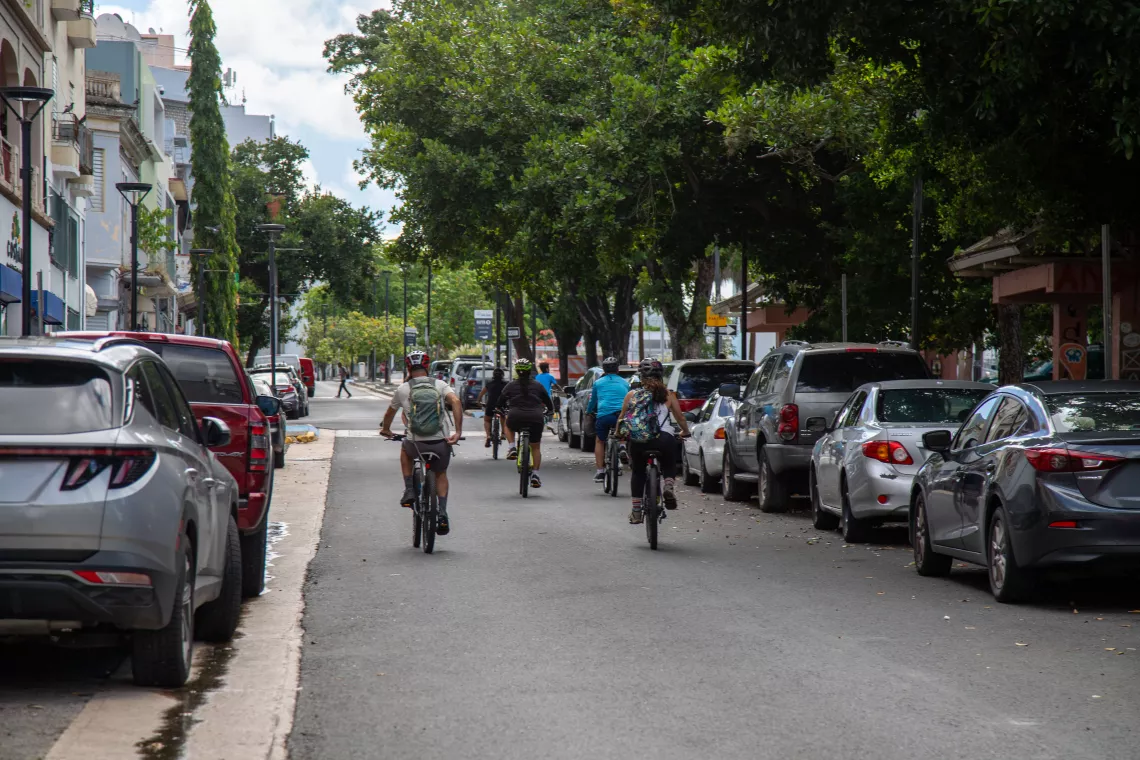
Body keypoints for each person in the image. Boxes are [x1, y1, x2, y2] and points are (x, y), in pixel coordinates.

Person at [379, 351, 463, 535]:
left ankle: (409, 489)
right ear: (427, 366)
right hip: (441, 442)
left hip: (415, 443)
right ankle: (441, 513)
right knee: (440, 474)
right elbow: (456, 401)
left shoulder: (403, 389)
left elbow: (389, 414)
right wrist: (457, 432)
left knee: (405, 451)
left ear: (408, 367)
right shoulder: (440, 385)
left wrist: (386, 430)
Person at [618, 358, 691, 524]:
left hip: (639, 440)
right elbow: (680, 418)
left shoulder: (632, 395)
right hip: (664, 439)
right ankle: (668, 486)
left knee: (638, 472)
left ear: (641, 376)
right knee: (669, 462)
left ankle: (636, 511)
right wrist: (685, 432)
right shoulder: (669, 394)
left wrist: (618, 434)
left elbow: (621, 419)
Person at [495, 358, 554, 488]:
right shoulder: (538, 385)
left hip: (515, 416)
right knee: (535, 447)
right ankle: (536, 474)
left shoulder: (510, 385)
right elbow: (549, 403)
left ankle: (511, 447)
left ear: (517, 371)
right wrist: (550, 411)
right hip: (536, 418)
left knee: (507, 425)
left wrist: (499, 409)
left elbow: (500, 402)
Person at [587, 357, 630, 483]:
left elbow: (592, 401)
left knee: (600, 441)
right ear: (617, 369)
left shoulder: (598, 383)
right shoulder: (625, 382)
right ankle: (622, 447)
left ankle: (600, 472)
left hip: (604, 415)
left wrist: (589, 411)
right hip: (621, 415)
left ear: (603, 370)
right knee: (621, 428)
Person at [475, 367, 509, 447]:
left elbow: (481, 394)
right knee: (503, 417)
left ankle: (488, 436)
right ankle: (503, 433)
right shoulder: (506, 384)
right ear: (502, 375)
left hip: (490, 404)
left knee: (487, 420)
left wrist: (478, 401)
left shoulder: (489, 384)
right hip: (501, 405)